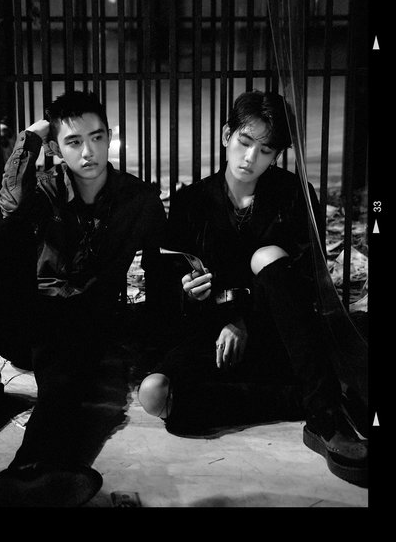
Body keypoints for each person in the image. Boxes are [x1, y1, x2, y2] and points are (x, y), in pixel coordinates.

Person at [138, 90, 367, 487]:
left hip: (281, 333)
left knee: (267, 255)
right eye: (244, 142)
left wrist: (241, 316)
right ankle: (301, 400)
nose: (250, 158)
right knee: (154, 394)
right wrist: (187, 291)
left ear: (275, 155)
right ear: (226, 135)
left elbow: (305, 284)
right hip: (212, 336)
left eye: (265, 151)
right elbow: (163, 283)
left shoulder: (292, 195)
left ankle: (324, 416)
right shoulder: (192, 201)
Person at [0, 91, 167, 507]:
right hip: (29, 323)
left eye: (97, 137)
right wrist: (31, 139)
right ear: (55, 148)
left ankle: (36, 464)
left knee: (64, 377)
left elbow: (163, 273)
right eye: (74, 142)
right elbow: (10, 204)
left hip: (89, 324)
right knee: (4, 236)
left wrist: (156, 350)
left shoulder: (138, 199)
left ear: (109, 137)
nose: (89, 152)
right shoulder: (45, 190)